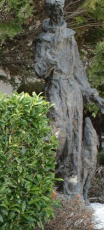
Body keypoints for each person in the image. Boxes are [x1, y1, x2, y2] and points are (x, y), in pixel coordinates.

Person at [33, 0, 104, 202]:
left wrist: (92, 94)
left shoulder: (69, 37)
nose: (59, 11)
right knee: (59, 135)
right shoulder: (42, 40)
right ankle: (51, 184)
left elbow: (79, 70)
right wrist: (52, 56)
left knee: (74, 139)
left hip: (72, 90)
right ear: (50, 11)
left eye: (60, 8)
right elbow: (39, 70)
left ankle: (73, 190)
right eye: (55, 8)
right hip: (55, 88)